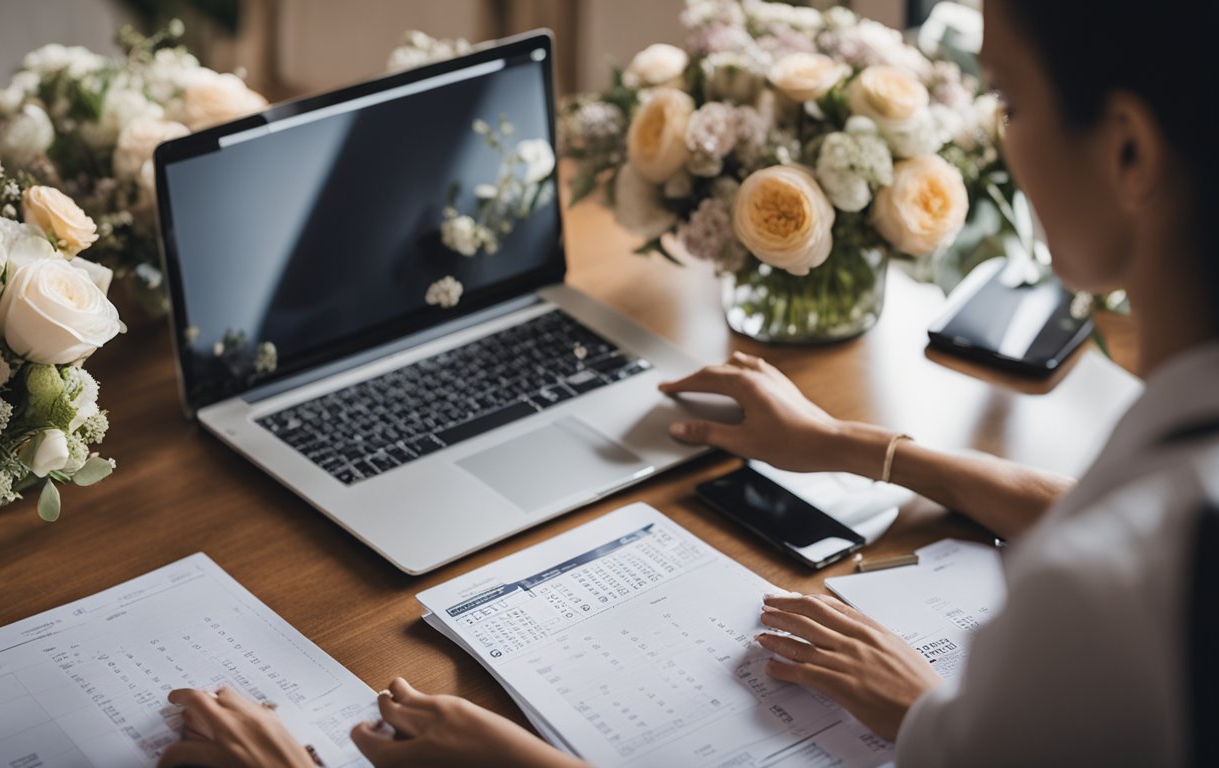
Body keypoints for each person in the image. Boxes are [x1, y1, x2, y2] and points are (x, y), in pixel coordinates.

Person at [156, 0, 1218, 764]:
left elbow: (1104, 559)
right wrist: (847, 447)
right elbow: (1099, 512)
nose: (1001, 136)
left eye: (1009, 100)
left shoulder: (1098, 605)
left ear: (1127, 152)